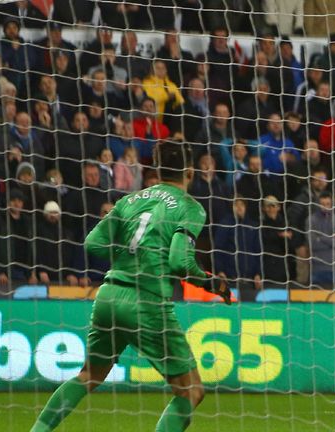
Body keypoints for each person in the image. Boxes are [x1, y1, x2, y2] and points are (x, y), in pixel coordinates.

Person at [30, 142, 231, 432]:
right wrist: (213, 283)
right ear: (189, 171)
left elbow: (93, 243)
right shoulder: (190, 207)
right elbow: (179, 261)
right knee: (190, 391)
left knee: (89, 376)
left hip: (109, 295)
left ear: (157, 169)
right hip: (146, 301)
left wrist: (129, 255)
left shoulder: (130, 200)